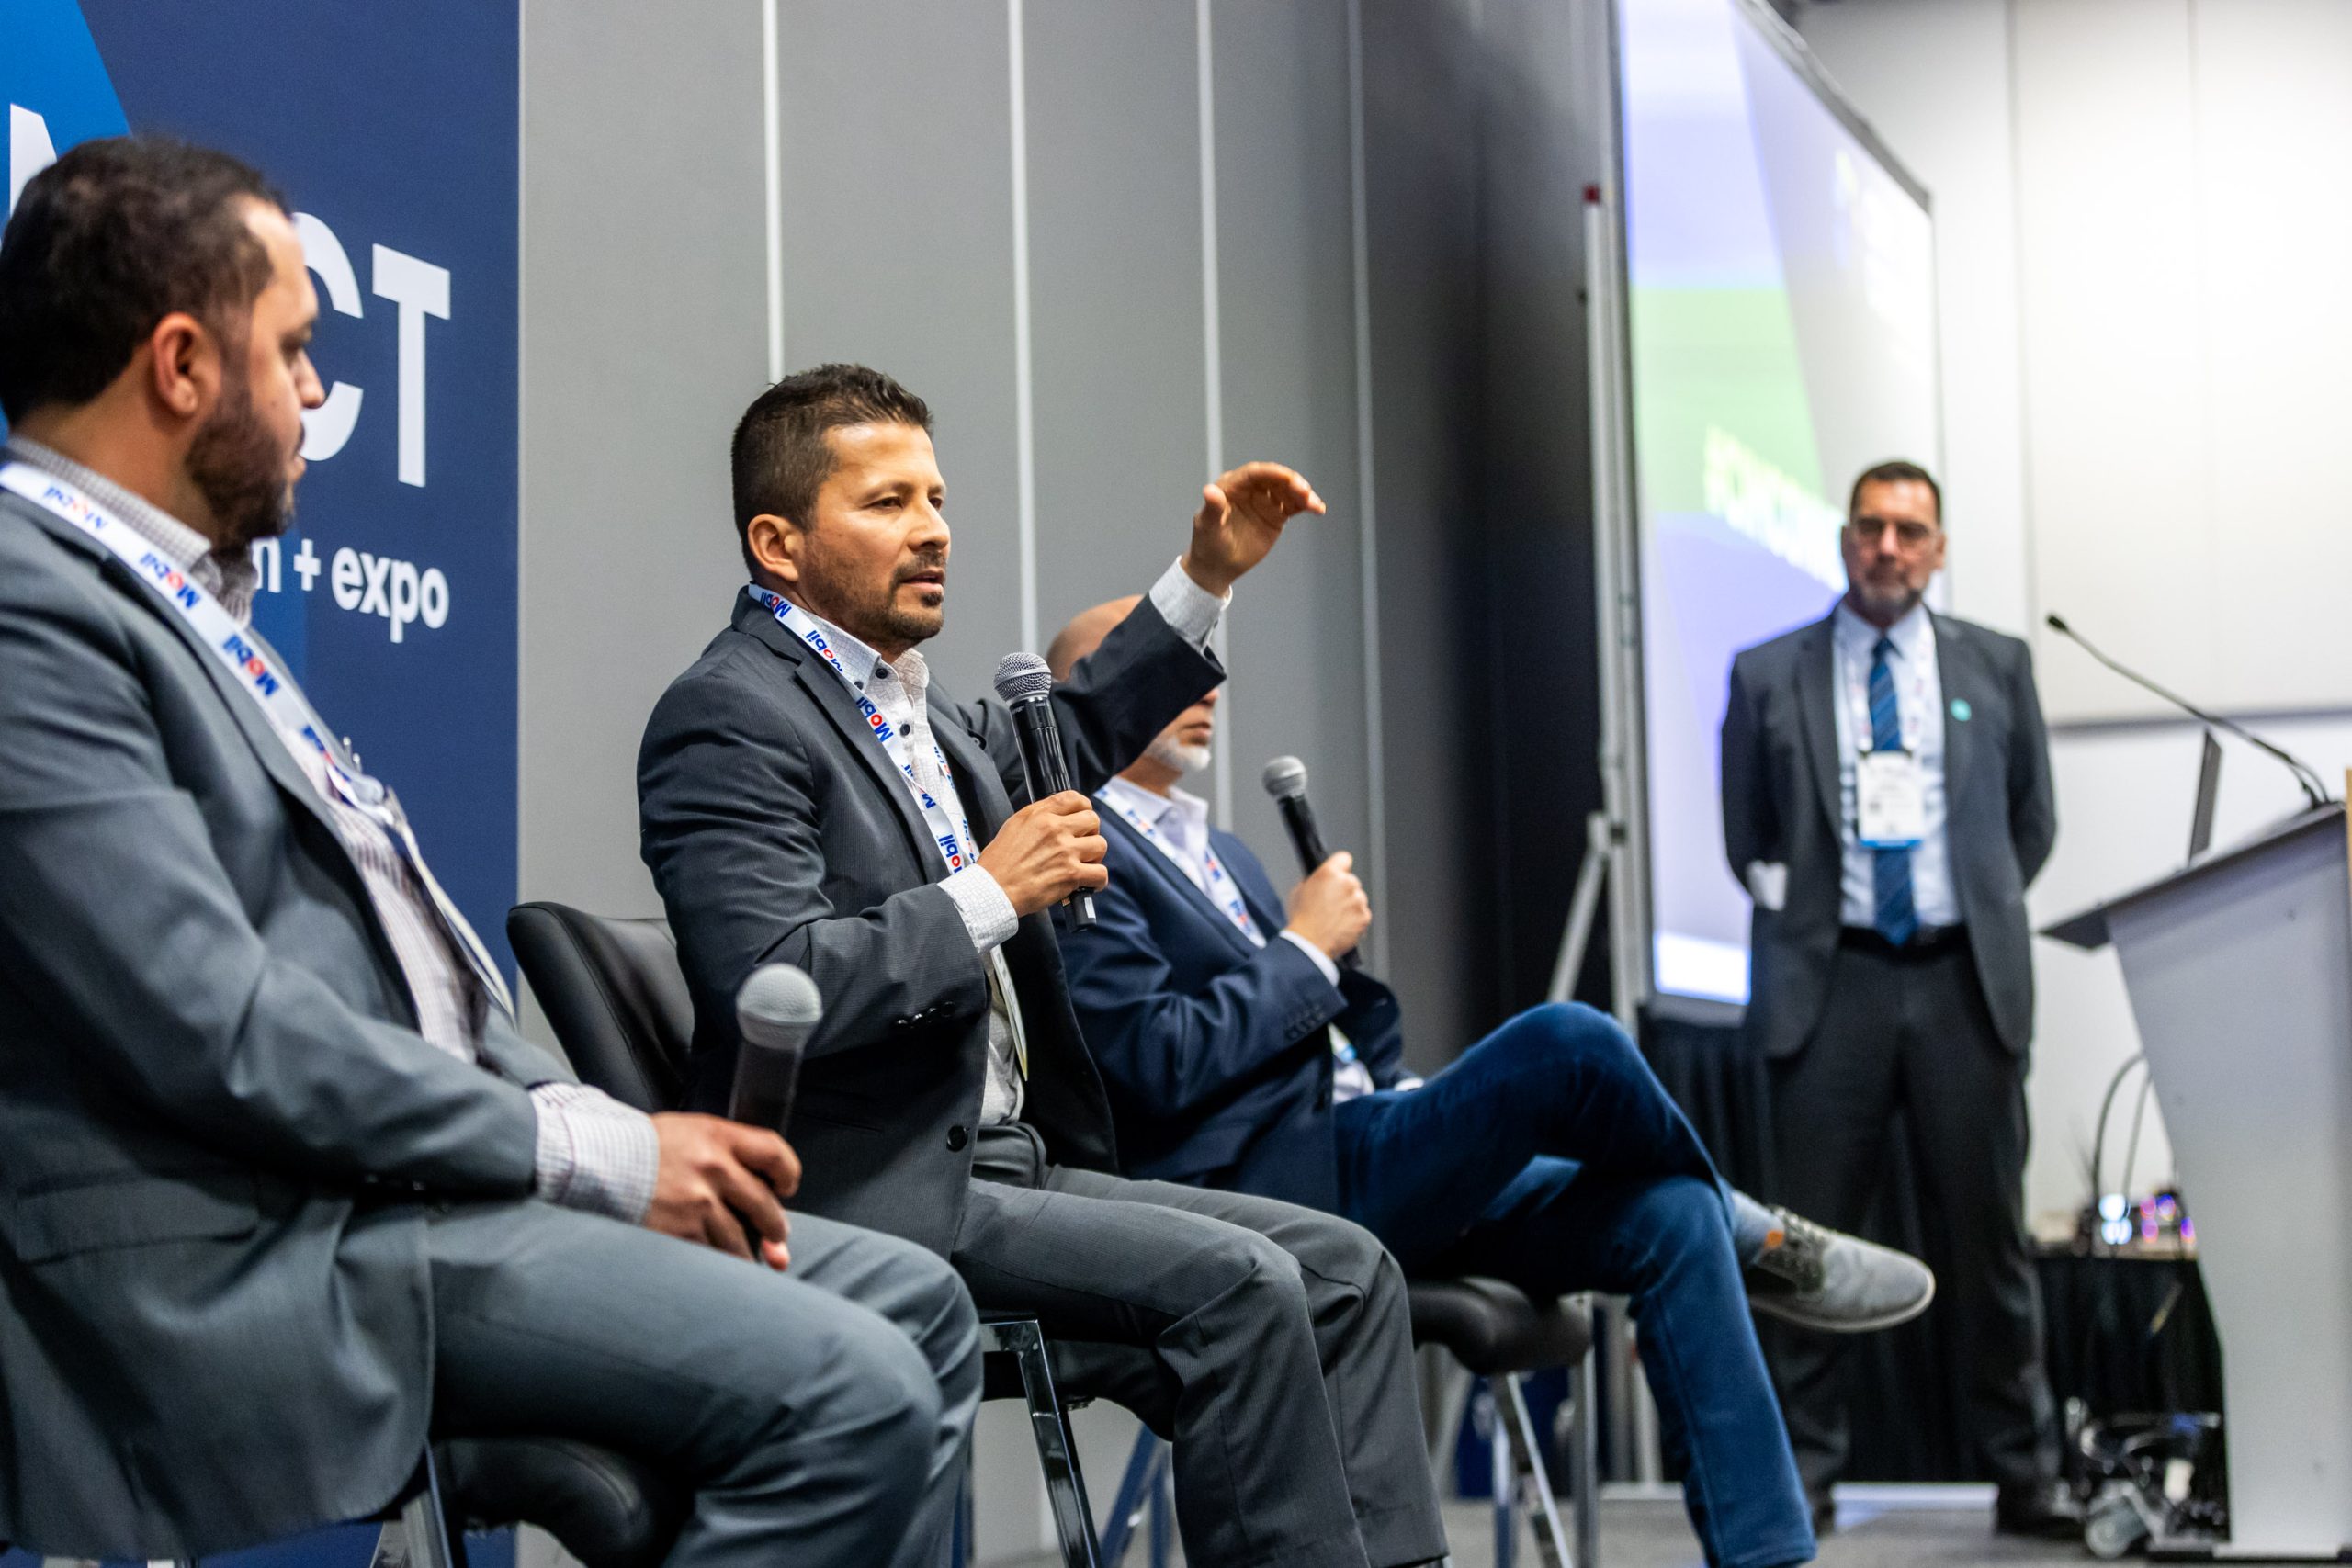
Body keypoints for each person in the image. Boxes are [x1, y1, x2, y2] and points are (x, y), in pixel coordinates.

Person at [0, 138, 978, 1568]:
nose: (321, 396)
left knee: (916, 1302)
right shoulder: (33, 611)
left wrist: (600, 1131)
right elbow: (217, 1030)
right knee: (859, 1390)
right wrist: (591, 1148)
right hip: (250, 1246)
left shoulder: (178, 605)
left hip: (389, 1196)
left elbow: (415, 986)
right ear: (182, 367)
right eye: (296, 353)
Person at [637, 363, 1448, 1568]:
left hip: (1018, 1161)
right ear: (781, 540)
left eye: (938, 497)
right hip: (879, 1186)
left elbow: (1063, 740)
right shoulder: (729, 713)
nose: (933, 530)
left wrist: (1206, 579)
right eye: (887, 502)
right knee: (1246, 1281)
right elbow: (772, 976)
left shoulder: (909, 701)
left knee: (1348, 1266)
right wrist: (987, 892)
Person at [1049, 602, 1938, 1568]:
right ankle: (1757, 1230)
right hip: (1272, 1188)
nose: (1207, 684)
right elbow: (1157, 1063)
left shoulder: (1226, 854)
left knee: (1672, 1212)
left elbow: (1321, 1031)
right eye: (1171, 662)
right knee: (1567, 1042)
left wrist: (1342, 998)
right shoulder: (1078, 847)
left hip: (1366, 1138)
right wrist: (1305, 945)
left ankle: (1768, 1555)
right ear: (1096, 686)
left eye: (1211, 662)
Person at [1720, 460, 2069, 1536]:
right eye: (1869, 527)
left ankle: (2027, 1476)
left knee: (1989, 1243)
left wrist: (1964, 910)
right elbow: (1749, 837)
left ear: (1939, 547)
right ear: (1842, 541)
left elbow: (2028, 827)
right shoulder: (1768, 670)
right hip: (1833, 987)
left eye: (1909, 530)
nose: (1887, 546)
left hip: (1963, 983)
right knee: (1807, 1251)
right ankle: (1802, 1482)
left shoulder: (1996, 666)